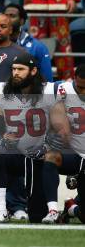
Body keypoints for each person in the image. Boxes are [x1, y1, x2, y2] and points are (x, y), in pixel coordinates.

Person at [0, 52, 67, 223]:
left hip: (38, 156)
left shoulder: (49, 91)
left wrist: (45, 147)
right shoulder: (0, 90)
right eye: (13, 69)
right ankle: (0, 210)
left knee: (36, 215)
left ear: (33, 71)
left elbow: (61, 130)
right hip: (13, 153)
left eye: (21, 69)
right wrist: (3, 138)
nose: (15, 73)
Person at [48, 64, 85, 224]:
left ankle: (71, 207)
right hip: (73, 153)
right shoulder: (62, 90)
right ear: (74, 80)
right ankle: (52, 209)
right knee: (50, 157)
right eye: (80, 87)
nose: (83, 92)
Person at [3, 3, 53, 82]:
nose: (8, 19)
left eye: (12, 16)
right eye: (5, 16)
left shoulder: (37, 47)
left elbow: (47, 80)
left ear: (22, 21)